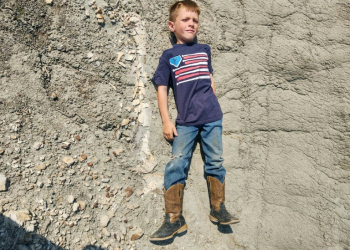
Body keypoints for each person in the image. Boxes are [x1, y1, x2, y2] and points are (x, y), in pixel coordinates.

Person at [149, 0, 240, 241]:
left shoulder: (204, 49)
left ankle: (218, 209)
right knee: (177, 163)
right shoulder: (169, 55)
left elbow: (209, 77)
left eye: (195, 20)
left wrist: (211, 88)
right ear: (172, 25)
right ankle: (173, 219)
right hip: (186, 121)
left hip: (212, 117)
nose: (192, 24)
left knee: (216, 161)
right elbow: (161, 88)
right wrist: (166, 121)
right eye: (186, 20)